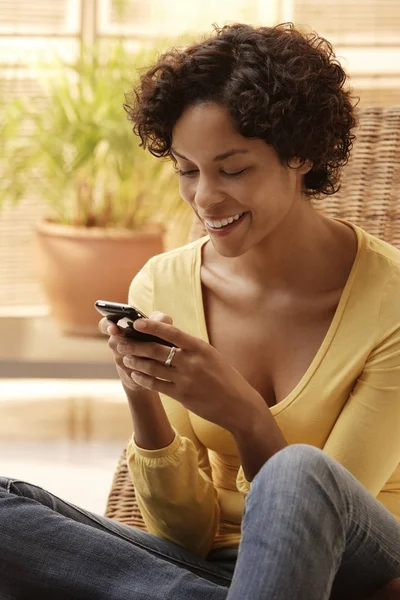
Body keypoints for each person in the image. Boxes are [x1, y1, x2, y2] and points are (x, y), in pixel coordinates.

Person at [0, 21, 399, 600]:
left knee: (297, 472)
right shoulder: (163, 284)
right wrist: (139, 388)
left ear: (302, 155)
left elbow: (325, 518)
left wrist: (246, 417)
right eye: (188, 169)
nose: (205, 198)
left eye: (233, 169)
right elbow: (185, 536)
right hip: (212, 571)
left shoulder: (389, 300)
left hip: (359, 563)